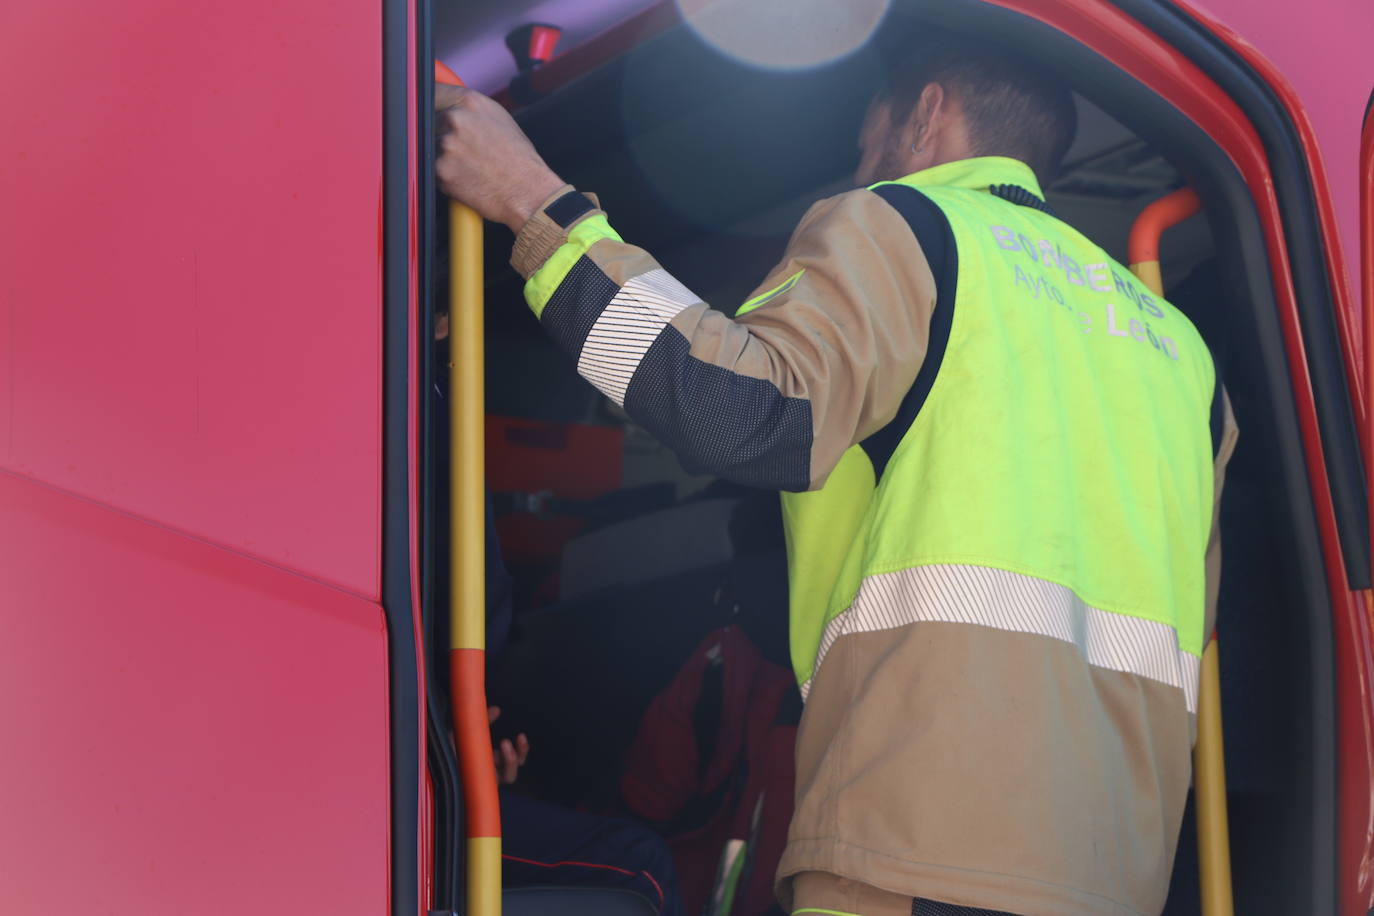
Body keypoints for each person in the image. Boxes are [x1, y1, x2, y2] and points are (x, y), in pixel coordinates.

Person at [433, 29, 1236, 916]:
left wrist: (531, 204)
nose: (861, 164)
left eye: (865, 137)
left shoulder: (911, 225)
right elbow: (1191, 624)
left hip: (917, 852)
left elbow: (737, 414)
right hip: (1119, 876)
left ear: (926, 114)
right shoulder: (1181, 355)